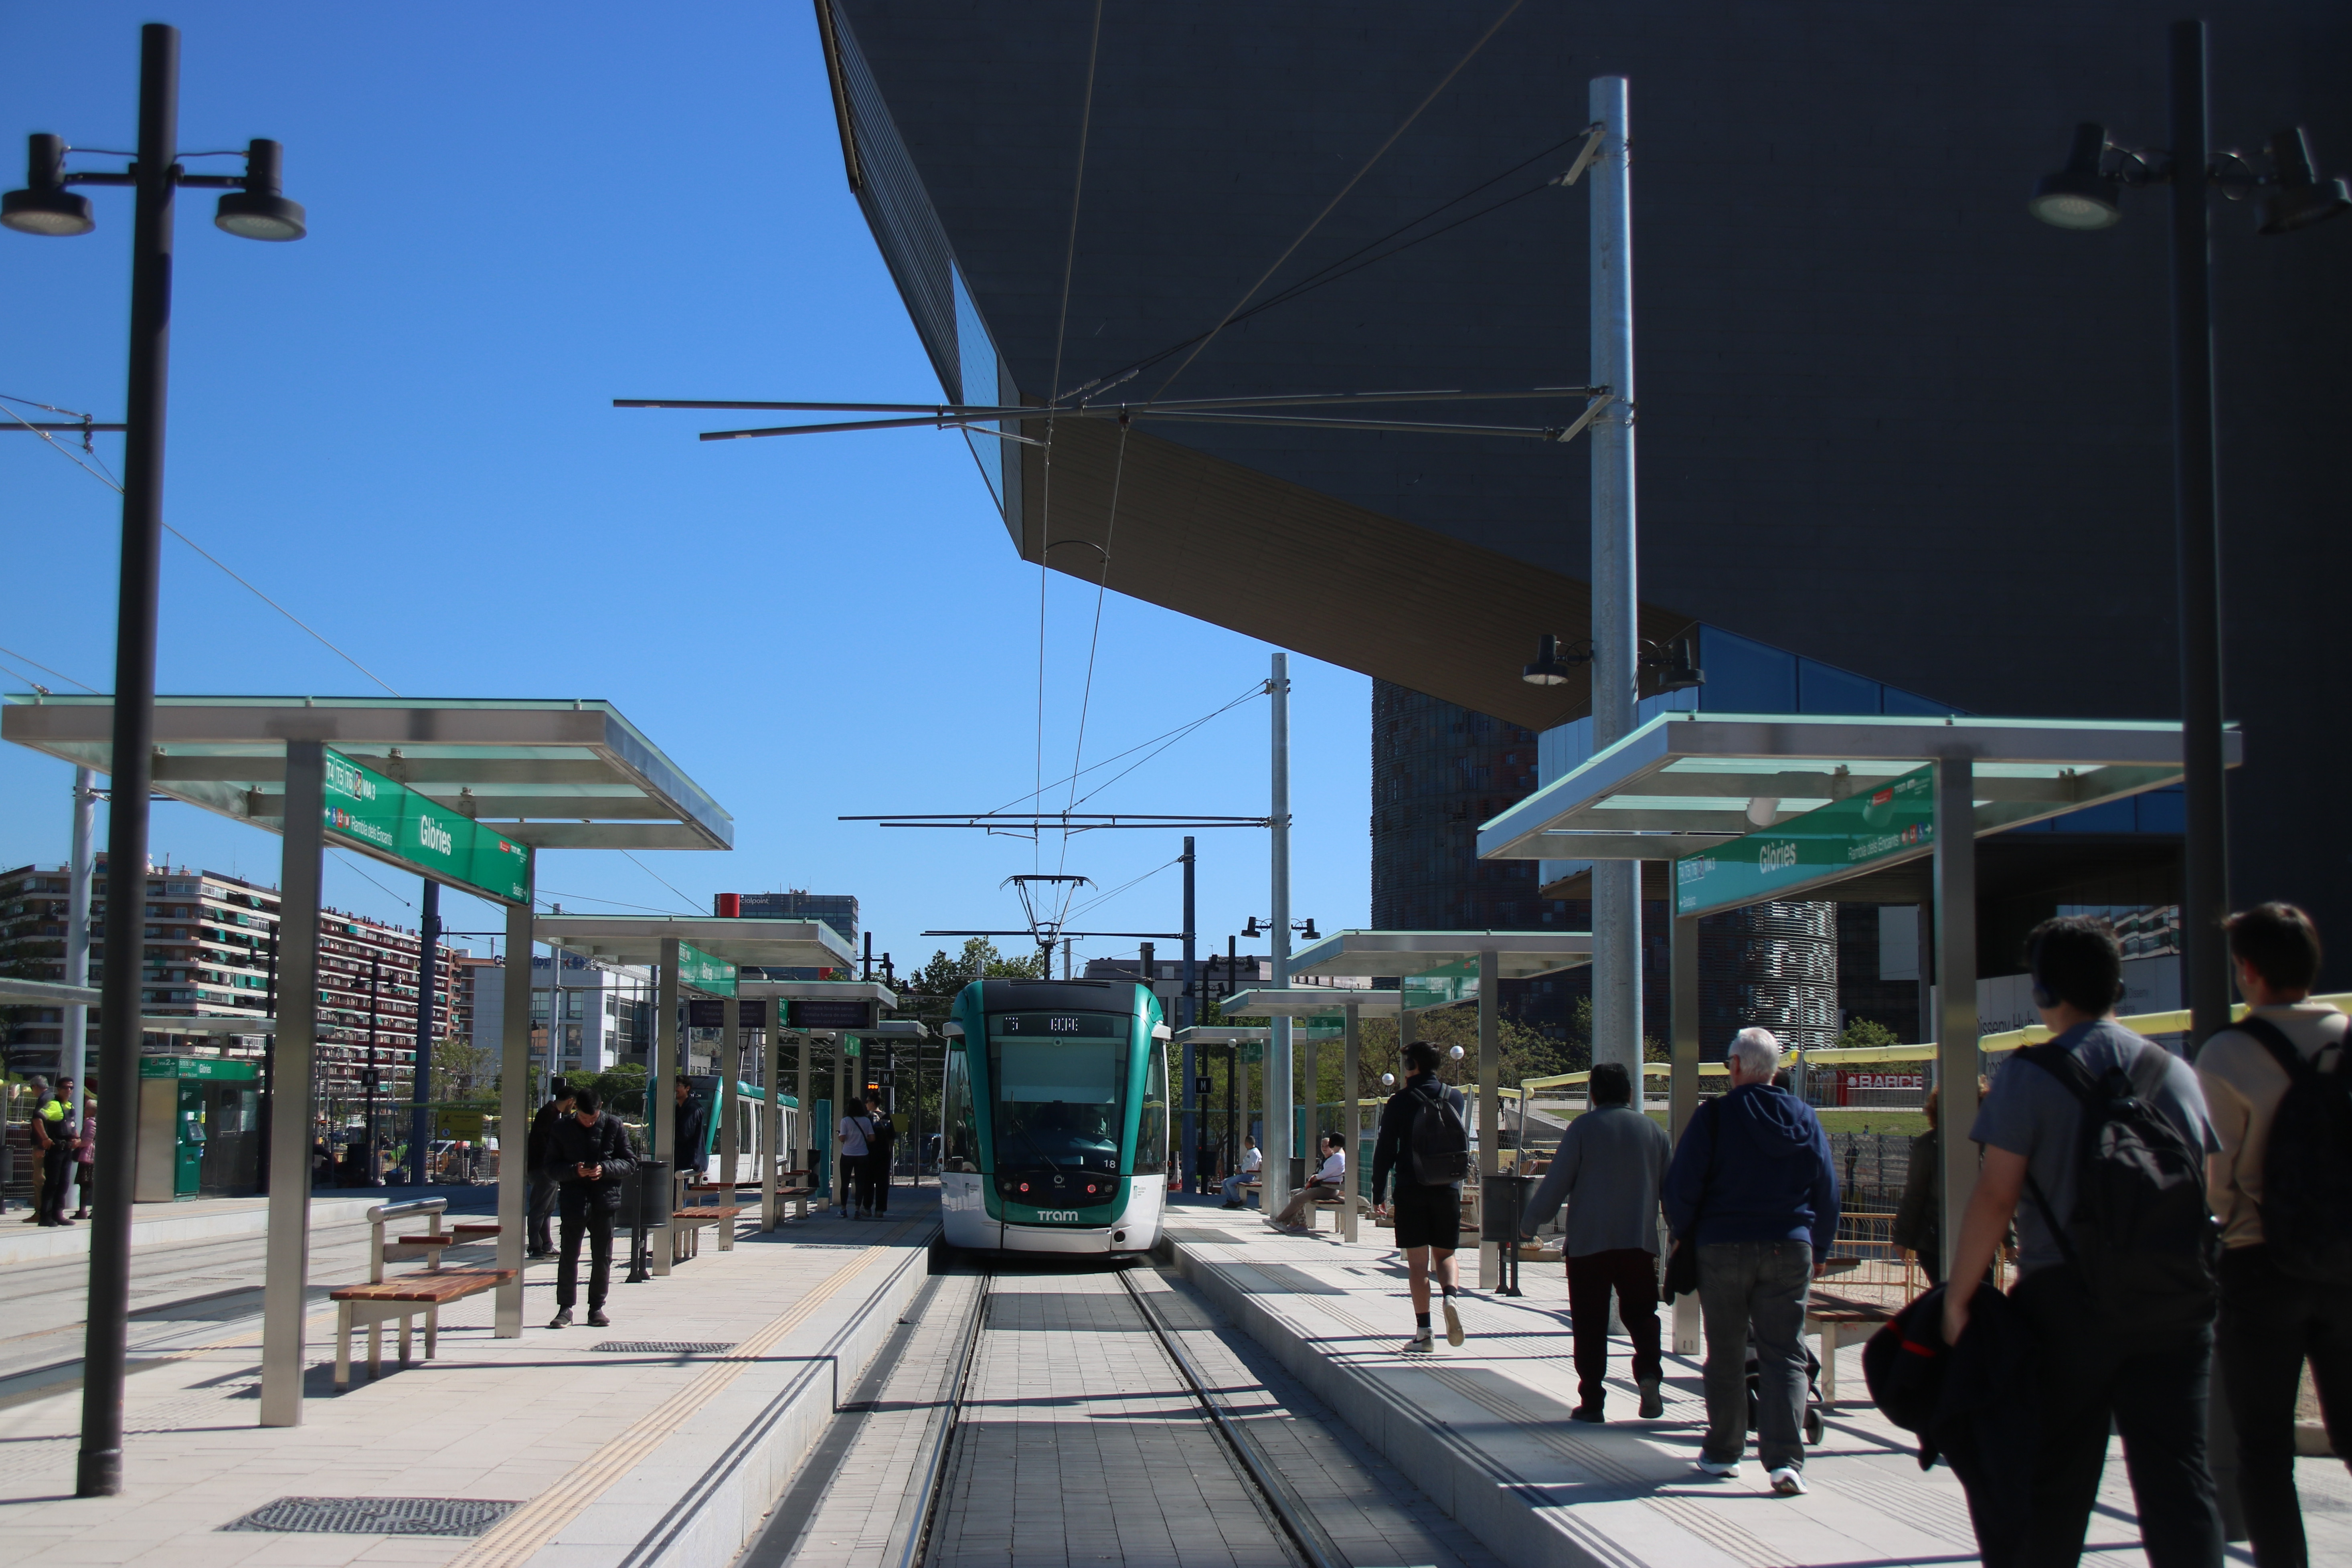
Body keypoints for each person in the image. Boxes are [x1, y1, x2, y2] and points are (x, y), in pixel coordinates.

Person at [1943, 915, 2223, 1567]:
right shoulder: (2174, 1072)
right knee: (2181, 1479)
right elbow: (2203, 1185)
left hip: (2066, 1304)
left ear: (2043, 993)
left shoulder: (2030, 1075)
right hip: (2176, 1302)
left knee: (2057, 1479)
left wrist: (1960, 1296)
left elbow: (1996, 1194)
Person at [2193, 902, 2349, 1568]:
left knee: (2262, 1448)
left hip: (2261, 1264)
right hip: (2350, 1265)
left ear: (2248, 971)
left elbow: (2218, 1182)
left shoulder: (2229, 1053)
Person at [1664, 1028, 1838, 1495]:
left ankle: (1724, 1451)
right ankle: (1785, 1461)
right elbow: (1827, 1186)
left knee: (1725, 1350)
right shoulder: (1803, 1115)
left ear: (1737, 1066)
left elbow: (1681, 1184)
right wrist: (1818, 1246)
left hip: (1722, 1244)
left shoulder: (1715, 1117)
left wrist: (1684, 1232)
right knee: (1785, 1352)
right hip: (1789, 1243)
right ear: (1776, 1069)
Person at [1523, 1061, 1673, 1423]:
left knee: (1589, 1321)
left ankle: (1592, 1400)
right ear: (1629, 1093)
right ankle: (1649, 1374)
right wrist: (1681, 1233)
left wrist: (1529, 1224)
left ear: (1592, 1094)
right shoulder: (1654, 1131)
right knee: (1642, 1314)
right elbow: (1673, 1191)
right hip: (1638, 1241)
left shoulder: (1583, 1129)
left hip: (1588, 1245)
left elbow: (1556, 1182)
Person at [1372, 1041, 1471, 1353]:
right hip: (1448, 1187)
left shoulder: (1398, 1101)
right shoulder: (1454, 1096)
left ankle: (1424, 1332)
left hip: (1411, 1188)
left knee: (1418, 1264)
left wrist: (1378, 1192)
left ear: (1411, 1065)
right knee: (1446, 1255)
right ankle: (1451, 1296)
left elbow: (1385, 1150)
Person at [543, 1085, 635, 1329]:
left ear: (600, 1109)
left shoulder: (614, 1125)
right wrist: (575, 1171)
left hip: (605, 1200)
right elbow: (551, 1166)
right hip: (574, 1199)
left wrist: (604, 1169)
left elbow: (630, 1162)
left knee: (602, 1257)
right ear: (575, 1110)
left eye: (592, 1118)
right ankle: (565, 1308)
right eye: (583, 1118)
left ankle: (597, 1308)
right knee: (569, 1255)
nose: (588, 1122)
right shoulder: (561, 1128)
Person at [524, 1079, 575, 1260]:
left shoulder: (552, 1113)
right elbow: (543, 1142)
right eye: (574, 1104)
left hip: (549, 1169)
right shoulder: (549, 1114)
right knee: (540, 1208)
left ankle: (546, 1244)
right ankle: (535, 1246)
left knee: (549, 1208)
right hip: (544, 1169)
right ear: (570, 1100)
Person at [1269, 1134, 1350, 1229]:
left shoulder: (1338, 1157)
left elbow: (1324, 1174)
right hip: (1326, 1187)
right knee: (1297, 1196)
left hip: (1328, 1189)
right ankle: (1288, 1223)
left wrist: (1314, 1178)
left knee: (1298, 1198)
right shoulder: (1339, 1155)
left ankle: (1279, 1221)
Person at [34, 1076, 78, 1227]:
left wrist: (76, 1138)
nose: (69, 1091)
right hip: (56, 1149)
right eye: (66, 1087)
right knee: (52, 1183)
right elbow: (37, 1118)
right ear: (59, 1089)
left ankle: (58, 1213)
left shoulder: (70, 1106)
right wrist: (45, 1139)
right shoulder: (54, 1105)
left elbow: (71, 1126)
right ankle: (45, 1216)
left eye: (71, 1088)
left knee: (64, 1183)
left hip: (67, 1149)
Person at [837, 1098, 874, 1218]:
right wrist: (862, 1140)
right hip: (863, 1155)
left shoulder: (845, 1121)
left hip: (847, 1154)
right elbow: (873, 1138)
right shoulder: (866, 1121)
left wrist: (840, 1136)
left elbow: (842, 1139)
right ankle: (858, 1210)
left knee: (845, 1183)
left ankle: (843, 1210)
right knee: (860, 1184)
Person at [864, 1095, 895, 1216]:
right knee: (882, 1183)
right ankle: (880, 1209)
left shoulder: (869, 1118)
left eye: (867, 1102)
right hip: (884, 1154)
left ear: (872, 1103)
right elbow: (892, 1138)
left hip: (870, 1154)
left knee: (869, 1182)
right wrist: (889, 1152)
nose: (866, 1105)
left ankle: (867, 1207)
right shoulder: (887, 1118)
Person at [674, 1076, 708, 1183]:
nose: (675, 1088)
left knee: (677, 1194)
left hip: (685, 1161)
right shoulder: (677, 1108)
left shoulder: (693, 1108)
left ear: (687, 1088)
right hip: (680, 1160)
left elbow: (684, 1134)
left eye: (678, 1085)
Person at [1219, 1135, 1262, 1209]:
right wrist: (1239, 1166)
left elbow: (1252, 1166)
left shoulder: (1254, 1153)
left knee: (1230, 1184)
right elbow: (1246, 1163)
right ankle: (1231, 1201)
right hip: (1245, 1174)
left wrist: (1241, 1171)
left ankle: (1237, 1201)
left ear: (1247, 1143)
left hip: (1250, 1176)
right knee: (1225, 1182)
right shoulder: (1250, 1152)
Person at [72, 1099, 96, 1220]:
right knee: (91, 1184)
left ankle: (83, 1211)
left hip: (88, 1156)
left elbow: (87, 1140)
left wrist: (77, 1143)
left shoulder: (91, 1123)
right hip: (94, 1156)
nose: (85, 1111)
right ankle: (91, 1210)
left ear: (93, 1111)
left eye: (87, 1108)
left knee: (85, 1184)